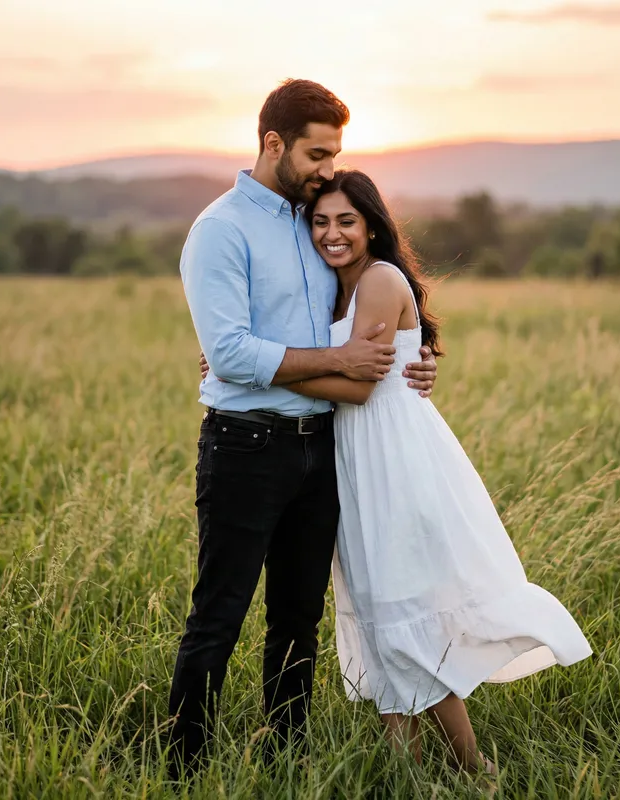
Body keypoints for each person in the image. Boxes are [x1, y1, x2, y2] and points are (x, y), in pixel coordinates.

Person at [281, 169, 593, 774]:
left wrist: (255, 369)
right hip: (358, 458)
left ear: (372, 224)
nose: (332, 233)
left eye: (346, 220)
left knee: (402, 610)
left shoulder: (376, 279)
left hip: (391, 459)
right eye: (320, 221)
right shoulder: (334, 285)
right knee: (380, 614)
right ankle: (406, 769)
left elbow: (362, 387)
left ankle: (474, 769)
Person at [170, 79, 438, 775]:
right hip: (245, 446)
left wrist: (420, 353)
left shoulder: (315, 220)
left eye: (335, 154)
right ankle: (183, 764)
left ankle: (286, 757)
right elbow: (230, 353)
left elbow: (364, 305)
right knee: (219, 612)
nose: (327, 168)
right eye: (318, 153)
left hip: (325, 445)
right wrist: (333, 360)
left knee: (298, 620)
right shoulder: (221, 229)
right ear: (273, 143)